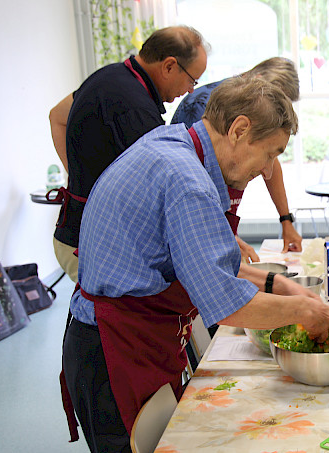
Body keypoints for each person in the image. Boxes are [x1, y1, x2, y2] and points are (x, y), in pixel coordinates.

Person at [60, 76, 329, 453]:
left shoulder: (176, 146)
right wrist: (305, 310)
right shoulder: (187, 180)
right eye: (270, 154)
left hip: (125, 335)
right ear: (240, 129)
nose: (268, 170)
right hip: (110, 350)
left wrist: (273, 282)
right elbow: (225, 304)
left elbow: (199, 261)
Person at [49, 25, 209, 282]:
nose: (191, 90)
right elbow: (165, 191)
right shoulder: (135, 111)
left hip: (74, 230)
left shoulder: (108, 76)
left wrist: (81, 178)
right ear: (169, 66)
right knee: (110, 318)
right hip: (91, 245)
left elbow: (57, 116)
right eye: (192, 79)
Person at [171, 57, 304, 259]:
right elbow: (194, 199)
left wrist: (285, 219)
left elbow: (271, 160)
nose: (265, 170)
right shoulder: (207, 106)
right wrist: (223, 238)